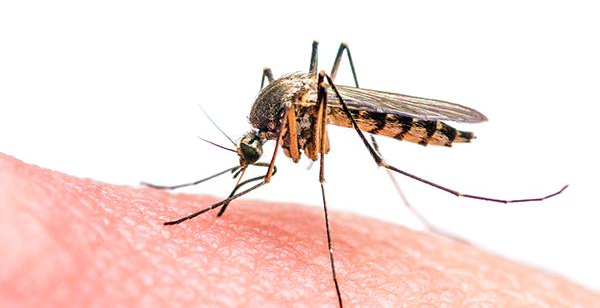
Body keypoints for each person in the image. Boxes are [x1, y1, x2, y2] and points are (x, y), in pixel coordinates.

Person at [1, 153, 598, 307]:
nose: (250, 164)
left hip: (332, 103)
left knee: (325, 84)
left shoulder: (279, 120)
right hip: (297, 104)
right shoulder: (266, 126)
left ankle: (431, 194)